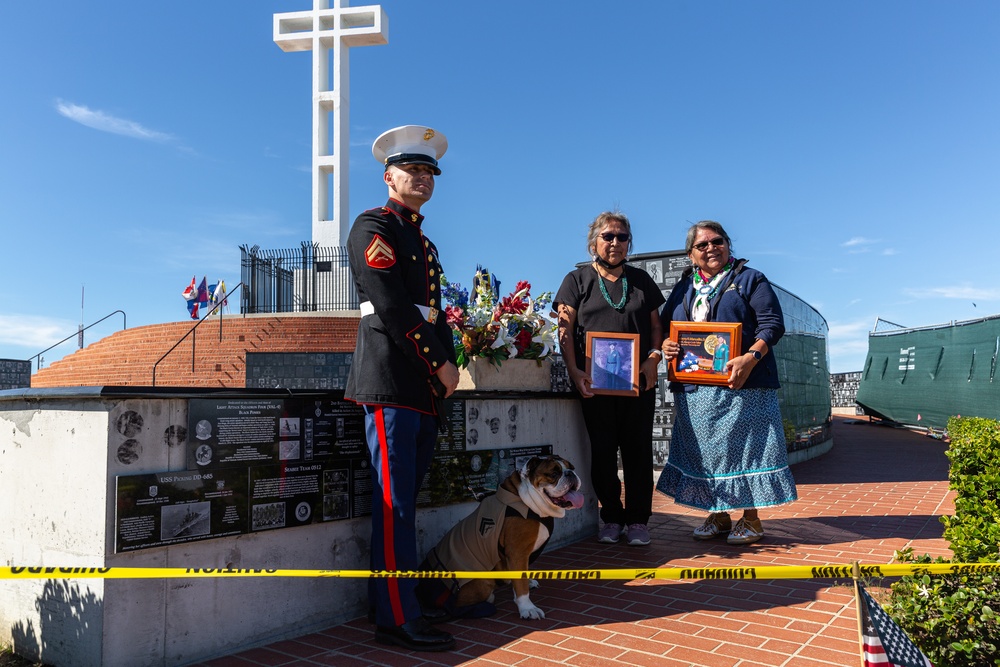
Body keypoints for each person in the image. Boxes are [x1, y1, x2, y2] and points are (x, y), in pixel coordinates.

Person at [344, 125, 459, 652]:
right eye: (413, 170)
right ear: (388, 176)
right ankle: (395, 616)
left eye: (429, 171)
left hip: (421, 387)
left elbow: (436, 313)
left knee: (405, 503)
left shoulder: (423, 240)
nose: (422, 178)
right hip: (392, 379)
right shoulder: (375, 225)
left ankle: (392, 601)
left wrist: (450, 361)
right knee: (396, 508)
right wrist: (438, 364)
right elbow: (391, 307)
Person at [657, 221, 797, 545]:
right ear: (691, 254)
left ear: (728, 244)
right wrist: (665, 345)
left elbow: (772, 325)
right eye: (702, 245)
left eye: (717, 241)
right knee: (708, 454)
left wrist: (751, 357)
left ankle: (751, 519)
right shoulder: (683, 288)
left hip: (742, 384)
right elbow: (667, 327)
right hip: (696, 391)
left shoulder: (749, 279)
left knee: (744, 452)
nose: (710, 248)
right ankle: (719, 514)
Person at [554, 211, 665, 546]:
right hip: (594, 386)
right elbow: (564, 328)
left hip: (638, 386)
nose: (615, 242)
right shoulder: (576, 281)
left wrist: (653, 358)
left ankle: (638, 522)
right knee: (602, 454)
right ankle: (612, 518)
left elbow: (657, 326)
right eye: (608, 236)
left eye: (622, 237)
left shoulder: (642, 281)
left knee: (638, 454)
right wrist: (575, 371)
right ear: (594, 242)